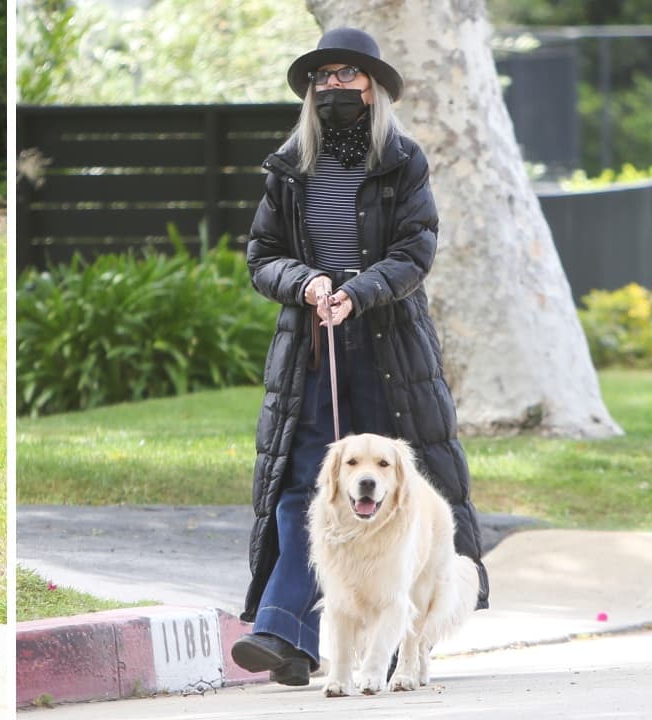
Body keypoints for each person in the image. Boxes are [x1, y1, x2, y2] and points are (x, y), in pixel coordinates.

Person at [229, 28, 490, 686]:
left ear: (374, 85)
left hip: (389, 346)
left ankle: (405, 629)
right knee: (303, 489)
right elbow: (262, 257)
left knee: (402, 490)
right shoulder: (290, 164)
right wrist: (308, 283)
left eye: (349, 75)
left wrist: (359, 291)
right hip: (310, 346)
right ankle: (283, 630)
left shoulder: (402, 161)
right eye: (325, 76)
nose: (335, 86)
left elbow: (415, 251)